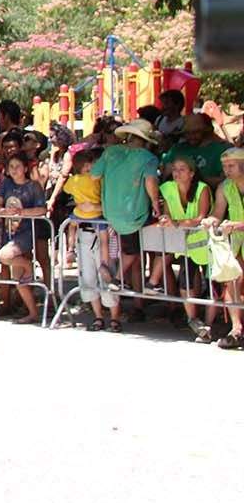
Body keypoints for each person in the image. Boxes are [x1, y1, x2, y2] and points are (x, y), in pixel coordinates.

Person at [92, 118, 163, 317]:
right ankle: (128, 280)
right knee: (162, 247)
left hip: (110, 213)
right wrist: (156, 204)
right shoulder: (148, 157)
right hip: (134, 214)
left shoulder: (110, 152)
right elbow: (150, 182)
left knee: (132, 250)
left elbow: (95, 176)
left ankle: (136, 286)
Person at [49, 146, 121, 331]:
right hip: (85, 230)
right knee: (89, 278)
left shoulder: (99, 181)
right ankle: (98, 317)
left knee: (106, 274)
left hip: (100, 227)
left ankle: (114, 317)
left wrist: (90, 205)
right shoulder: (81, 181)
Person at [155, 155, 215, 340]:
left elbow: (200, 217)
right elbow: (166, 214)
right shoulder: (167, 188)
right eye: (174, 169)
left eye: (182, 169)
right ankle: (193, 320)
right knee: (185, 281)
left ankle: (209, 325)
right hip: (185, 245)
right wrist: (165, 220)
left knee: (213, 286)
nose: (177, 173)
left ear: (191, 173)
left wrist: (176, 223)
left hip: (206, 244)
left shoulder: (202, 189)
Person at [0, 156, 46, 324]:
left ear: (25, 168)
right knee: (19, 278)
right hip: (9, 232)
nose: (14, 169)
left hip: (25, 233)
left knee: (5, 255)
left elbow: (42, 209)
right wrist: (2, 211)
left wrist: (22, 213)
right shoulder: (6, 184)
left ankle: (28, 265)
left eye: (18, 166)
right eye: (11, 166)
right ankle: (33, 312)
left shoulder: (33, 186)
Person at [204, 148, 244, 349]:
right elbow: (218, 212)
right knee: (233, 281)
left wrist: (237, 225)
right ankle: (236, 329)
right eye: (224, 166)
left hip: (237, 232)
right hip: (237, 241)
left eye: (231, 166)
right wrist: (210, 220)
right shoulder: (225, 187)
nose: (226, 170)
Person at [162, 113, 228, 186]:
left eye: (196, 132)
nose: (191, 136)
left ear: (205, 131)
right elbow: (165, 174)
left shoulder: (221, 150)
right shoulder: (177, 149)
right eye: (187, 133)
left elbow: (226, 181)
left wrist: (196, 179)